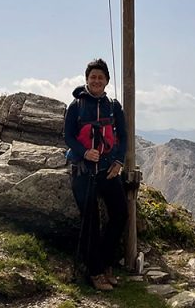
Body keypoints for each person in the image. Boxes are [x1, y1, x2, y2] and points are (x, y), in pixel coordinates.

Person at [64, 58, 127, 291]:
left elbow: (124, 136)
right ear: (87, 80)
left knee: (120, 214)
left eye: (101, 77)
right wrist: (83, 152)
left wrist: (119, 161)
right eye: (93, 77)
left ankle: (105, 263)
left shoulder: (114, 106)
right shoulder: (77, 105)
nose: (97, 81)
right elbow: (68, 136)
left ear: (107, 81)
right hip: (83, 171)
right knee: (91, 222)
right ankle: (96, 272)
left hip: (108, 170)